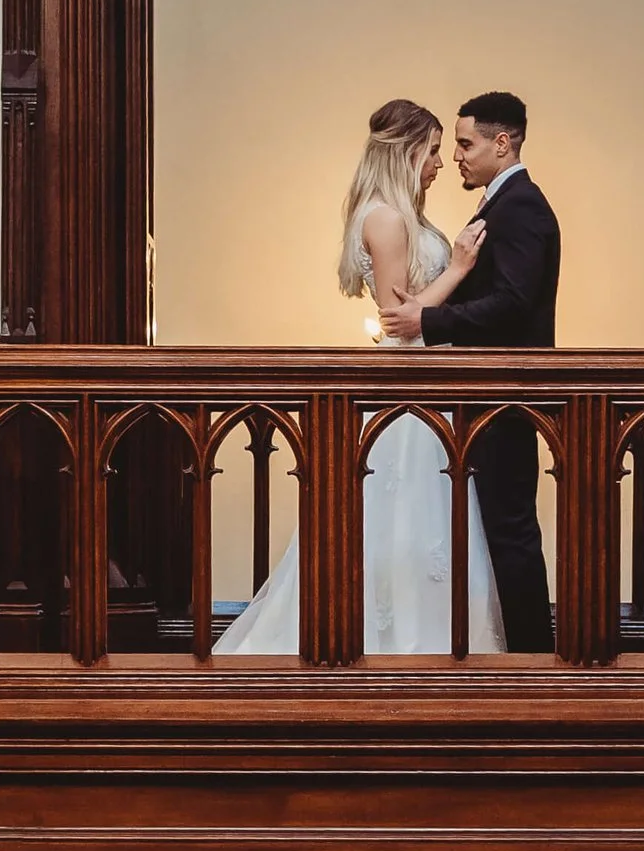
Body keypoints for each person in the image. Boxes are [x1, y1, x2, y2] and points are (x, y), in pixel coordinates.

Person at [212, 99, 504, 655]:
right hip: (407, 388)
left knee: (421, 524)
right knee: (403, 521)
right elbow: (403, 319)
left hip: (429, 383)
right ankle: (399, 645)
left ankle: (428, 640)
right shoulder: (386, 218)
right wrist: (462, 268)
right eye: (434, 151)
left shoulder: (400, 214)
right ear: (407, 149)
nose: (440, 164)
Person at [380, 91, 559, 653]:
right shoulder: (499, 203)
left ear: (501, 143)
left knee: (510, 530)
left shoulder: (522, 205)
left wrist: (429, 321)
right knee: (500, 529)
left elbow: (512, 300)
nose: (456, 156)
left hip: (506, 394)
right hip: (487, 393)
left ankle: (532, 658)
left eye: (465, 143)